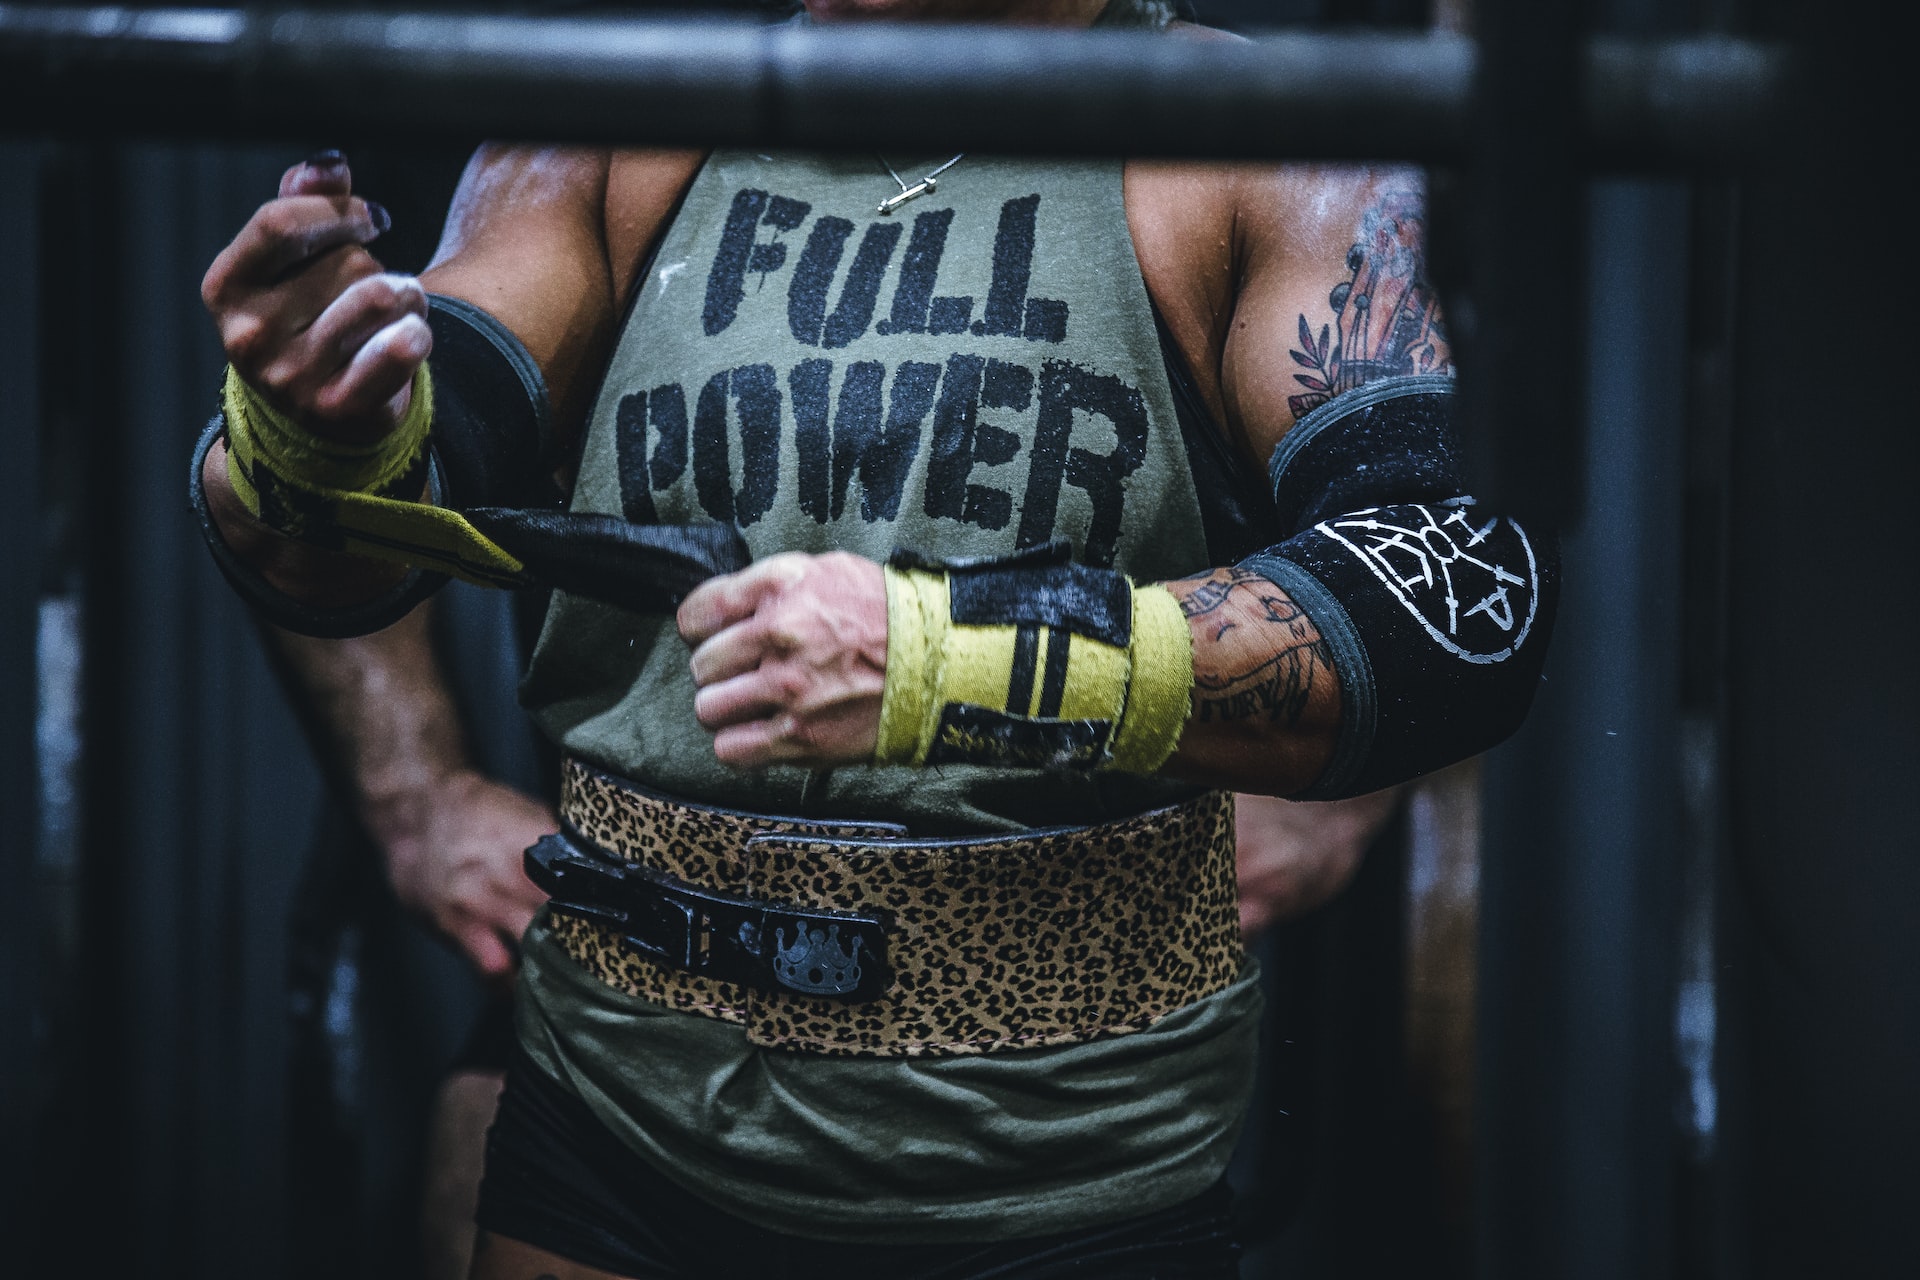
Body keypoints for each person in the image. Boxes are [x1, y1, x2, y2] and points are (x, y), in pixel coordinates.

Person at [194, 1, 1556, 1274]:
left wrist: (950, 661)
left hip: (1065, 1166)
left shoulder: (1259, 138)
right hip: (615, 1116)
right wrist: (310, 437)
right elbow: (362, 537)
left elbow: (1448, 607)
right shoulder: (616, 115)